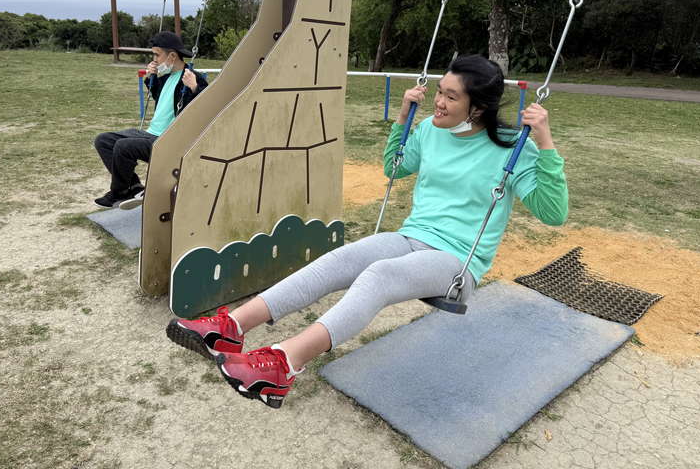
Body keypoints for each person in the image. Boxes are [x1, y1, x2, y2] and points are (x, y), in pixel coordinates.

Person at [166, 55, 568, 409]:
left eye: (450, 96)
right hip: (413, 236)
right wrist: (402, 120)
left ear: (477, 108)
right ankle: (231, 328)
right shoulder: (430, 128)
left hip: (457, 261)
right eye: (439, 91)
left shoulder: (514, 147)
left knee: (378, 275)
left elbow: (553, 213)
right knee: (343, 257)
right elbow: (396, 168)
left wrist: (546, 141)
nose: (438, 101)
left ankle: (284, 363)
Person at [93, 31, 208, 209]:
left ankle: (118, 192)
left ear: (172, 56)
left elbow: (205, 110)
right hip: (151, 134)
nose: (154, 60)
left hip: (170, 141)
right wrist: (152, 77)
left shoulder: (193, 78)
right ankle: (133, 186)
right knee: (103, 140)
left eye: (156, 54)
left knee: (124, 147)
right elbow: (158, 98)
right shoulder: (166, 76)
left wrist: (194, 88)